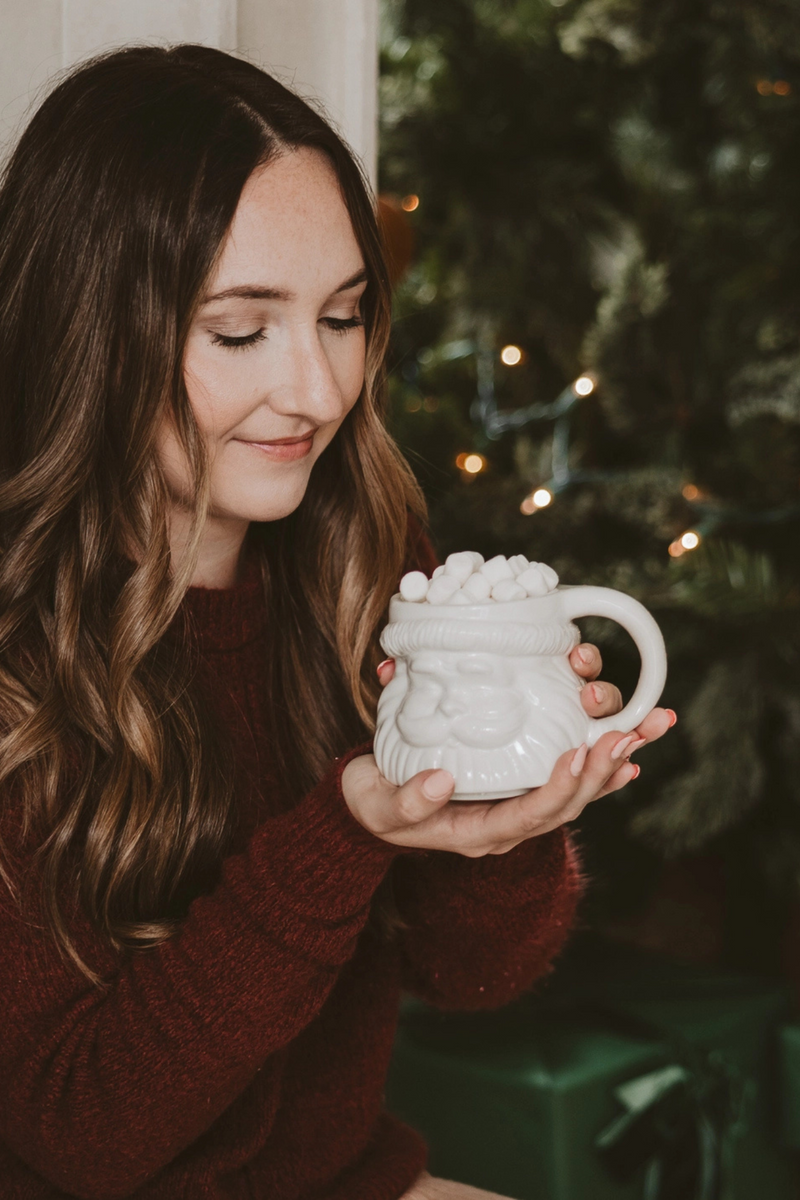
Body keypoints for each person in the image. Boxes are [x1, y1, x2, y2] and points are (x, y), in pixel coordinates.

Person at [0, 45, 674, 1200]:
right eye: (240, 330)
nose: (317, 392)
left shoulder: (360, 562)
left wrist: (497, 823)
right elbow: (78, 1134)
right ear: (88, 327)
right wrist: (345, 834)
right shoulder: (24, 660)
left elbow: (474, 978)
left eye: (345, 316)